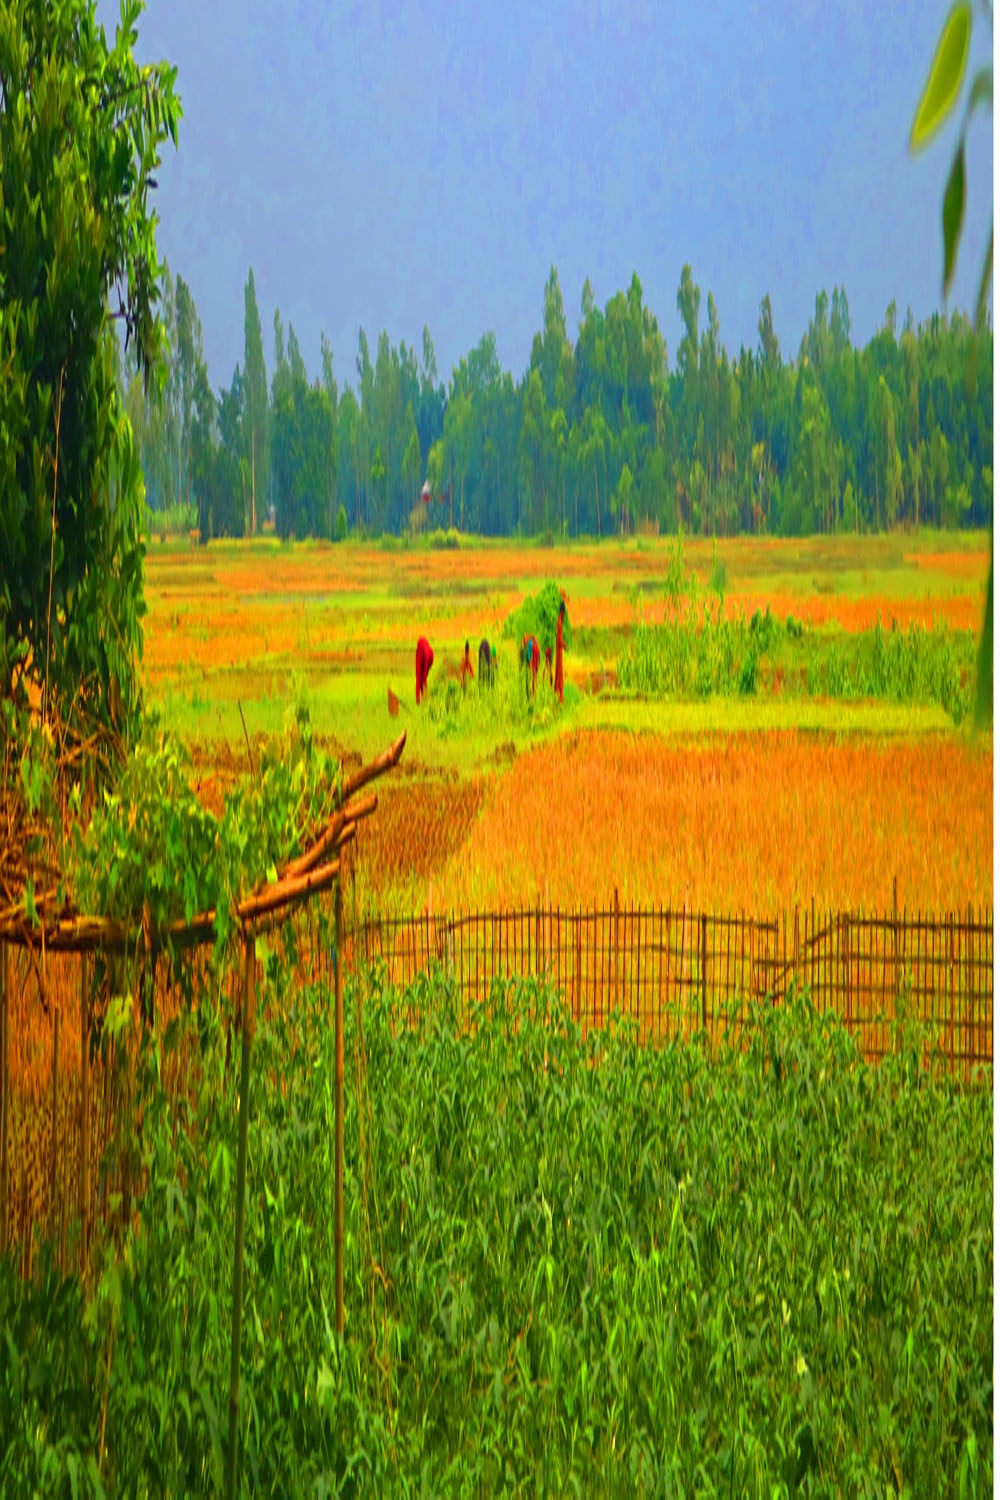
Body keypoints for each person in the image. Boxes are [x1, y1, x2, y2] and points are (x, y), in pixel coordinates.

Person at [415, 636, 434, 704]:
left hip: (426, 655)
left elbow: (422, 675)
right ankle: (421, 696)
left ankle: (423, 696)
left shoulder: (429, 653)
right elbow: (420, 675)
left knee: (421, 677)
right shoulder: (427, 652)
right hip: (423, 652)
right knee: (420, 676)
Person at [554, 598, 566, 704]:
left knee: (559, 671)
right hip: (559, 651)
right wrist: (563, 644)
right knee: (560, 671)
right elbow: (558, 638)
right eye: (564, 613)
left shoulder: (559, 622)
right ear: (562, 612)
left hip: (559, 651)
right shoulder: (559, 623)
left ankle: (559, 694)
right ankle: (560, 696)